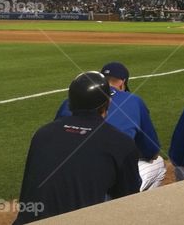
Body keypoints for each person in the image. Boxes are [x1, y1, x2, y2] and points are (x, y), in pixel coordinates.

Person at [13, 71, 141, 223]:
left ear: (70, 103)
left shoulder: (42, 134)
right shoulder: (120, 142)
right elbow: (128, 201)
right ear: (108, 103)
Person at [54, 62, 164, 191]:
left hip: (65, 178)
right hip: (105, 185)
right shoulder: (134, 100)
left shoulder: (68, 102)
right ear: (122, 83)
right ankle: (132, 208)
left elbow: (57, 137)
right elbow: (151, 150)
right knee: (158, 163)